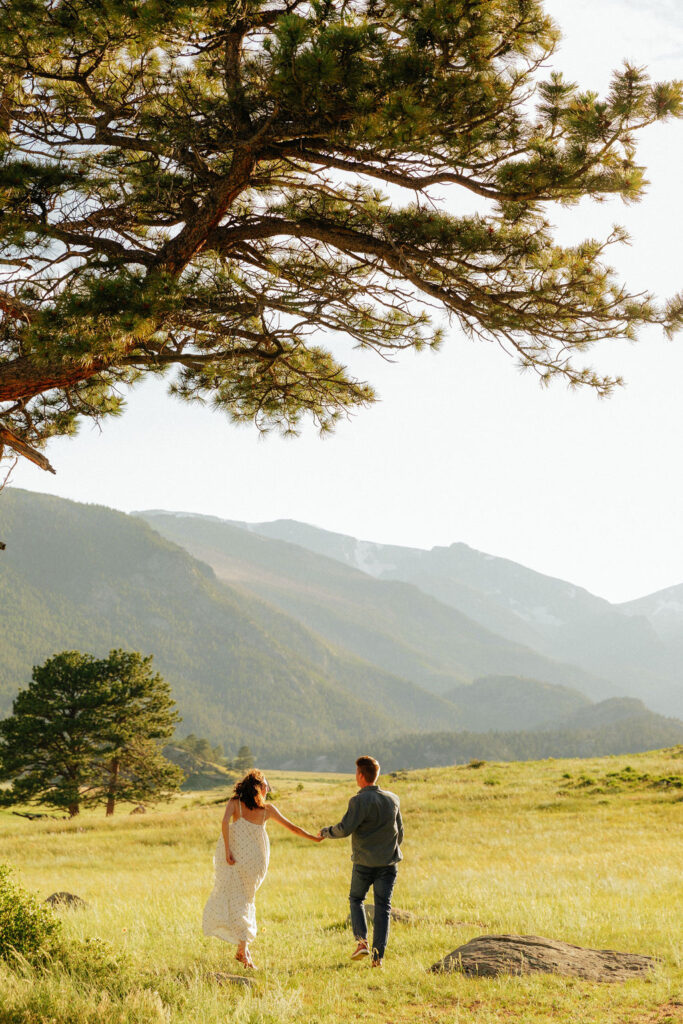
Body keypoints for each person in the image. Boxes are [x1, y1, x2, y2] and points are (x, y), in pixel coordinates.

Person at [202, 768, 322, 969]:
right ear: (257, 787)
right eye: (266, 785)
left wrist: (227, 852)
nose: (268, 789)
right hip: (255, 862)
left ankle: (243, 949)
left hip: (237, 859)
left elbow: (224, 823)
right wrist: (314, 838)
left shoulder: (236, 804)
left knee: (239, 899)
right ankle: (244, 951)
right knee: (245, 900)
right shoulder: (267, 809)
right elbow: (293, 828)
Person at [319, 755, 403, 967]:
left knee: (356, 899)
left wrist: (326, 832)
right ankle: (377, 958)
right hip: (388, 863)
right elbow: (399, 832)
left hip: (364, 864)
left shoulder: (358, 801)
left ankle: (362, 942)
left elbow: (345, 828)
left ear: (361, 775)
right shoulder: (393, 799)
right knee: (384, 908)